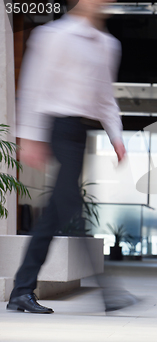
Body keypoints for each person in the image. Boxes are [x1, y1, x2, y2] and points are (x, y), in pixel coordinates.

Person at [7, 0, 136, 313]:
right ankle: (109, 292)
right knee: (70, 206)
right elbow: (33, 87)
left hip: (80, 134)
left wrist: (116, 136)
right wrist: (31, 137)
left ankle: (21, 291)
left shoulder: (109, 44)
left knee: (56, 212)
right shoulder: (54, 34)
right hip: (58, 127)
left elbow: (105, 97)